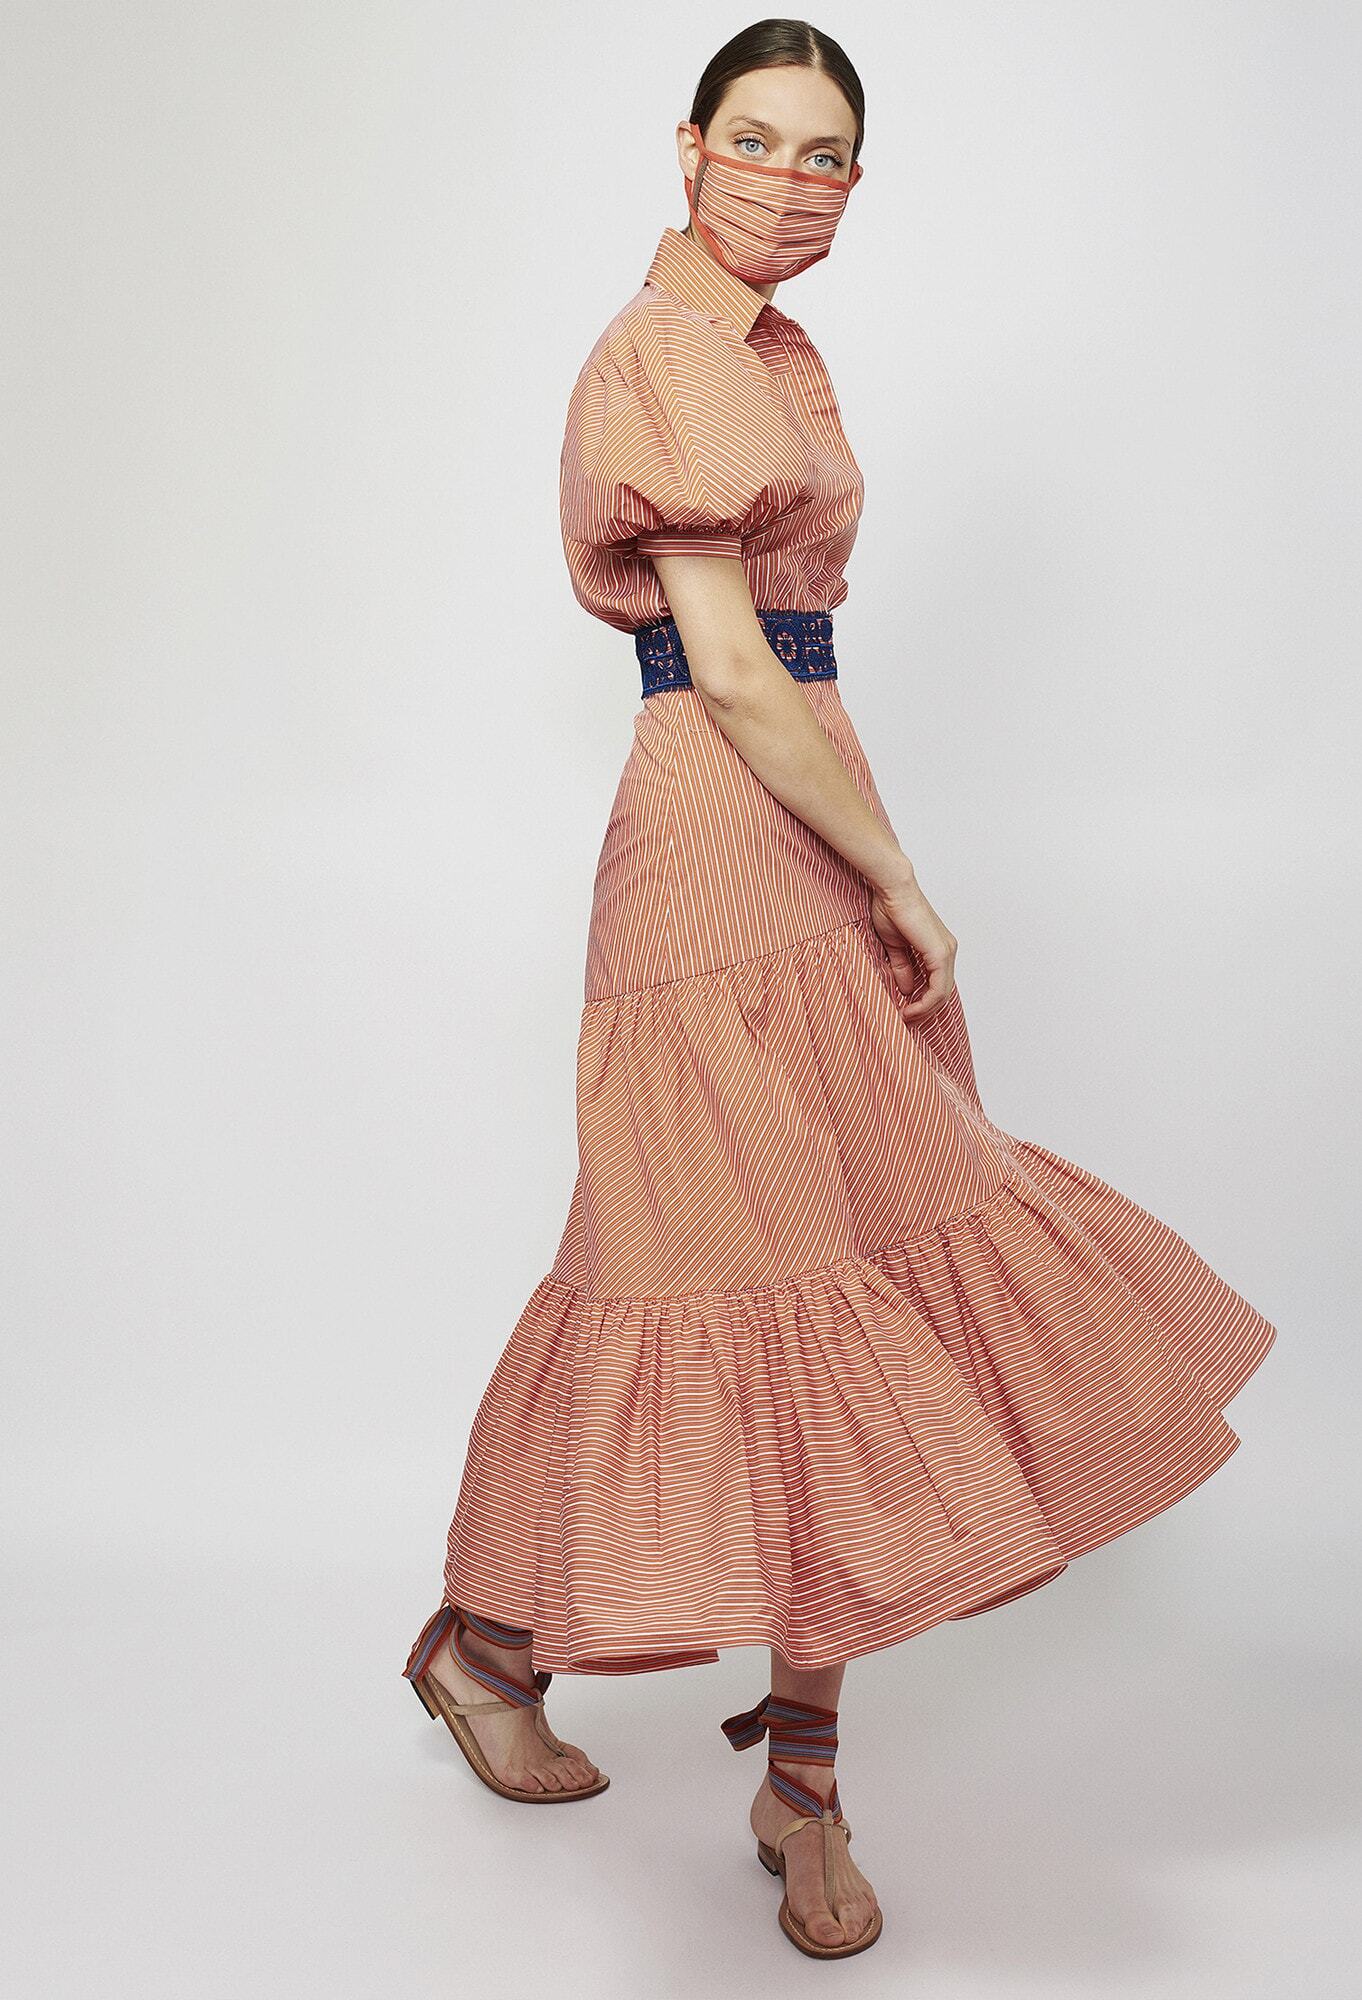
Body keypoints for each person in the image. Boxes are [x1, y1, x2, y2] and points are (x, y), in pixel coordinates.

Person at [400, 20, 1277, 1961]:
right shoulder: (660, 361)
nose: (793, 182)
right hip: (726, 841)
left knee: (853, 1265)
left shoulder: (765, 351)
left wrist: (869, 843)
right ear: (689, 145)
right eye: (761, 142)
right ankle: (526, 1658)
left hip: (803, 799)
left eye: (829, 158)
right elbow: (724, 668)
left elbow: (781, 661)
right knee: (740, 1277)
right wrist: (901, 875)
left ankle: (760, 1746)